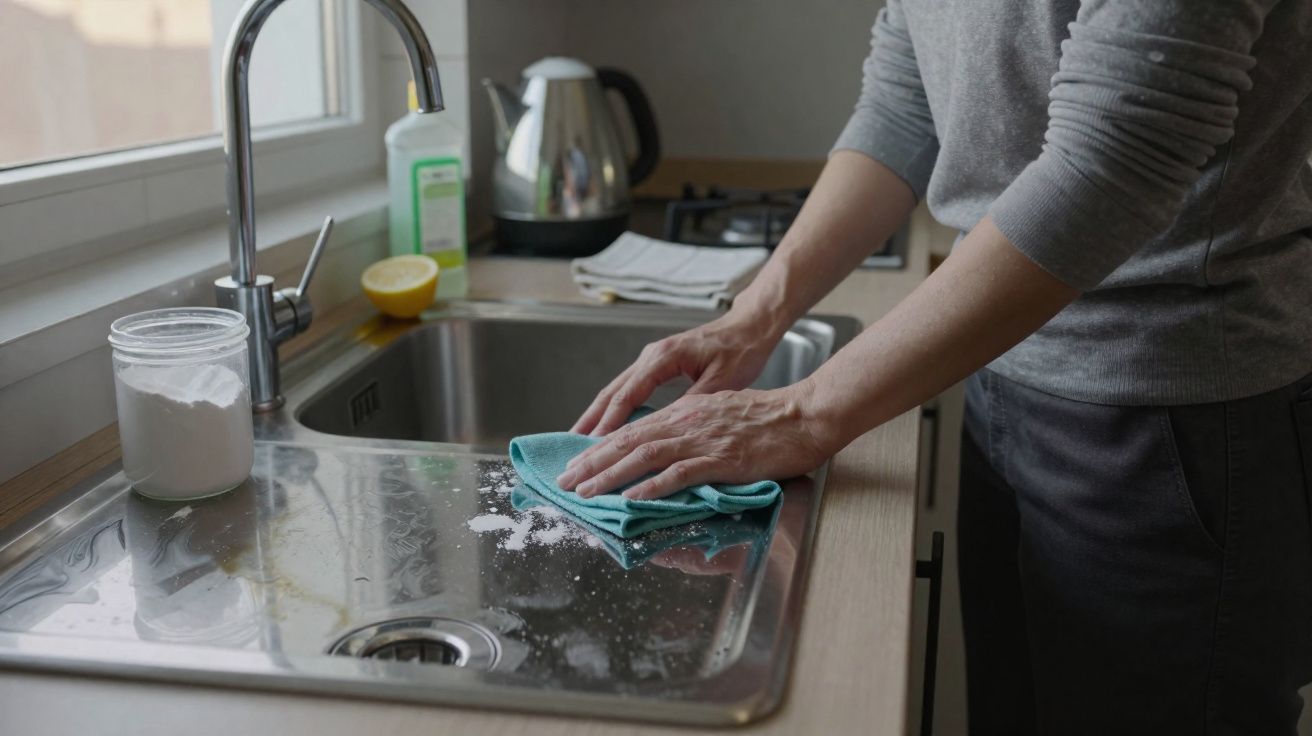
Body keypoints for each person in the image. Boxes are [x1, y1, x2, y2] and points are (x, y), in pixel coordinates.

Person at [555, 2, 1312, 733]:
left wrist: (804, 410)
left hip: (1175, 423)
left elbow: (1116, 158)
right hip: (998, 370)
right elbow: (908, 95)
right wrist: (756, 314)